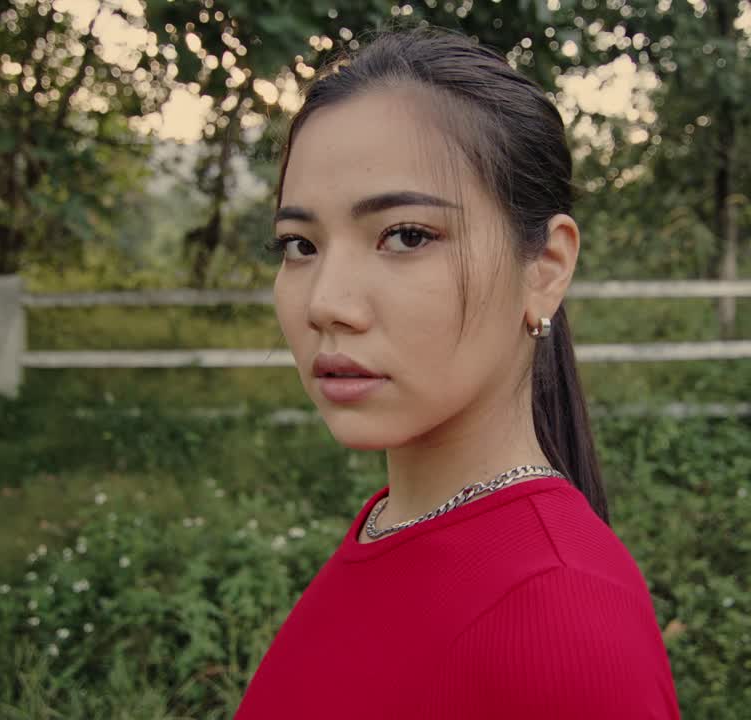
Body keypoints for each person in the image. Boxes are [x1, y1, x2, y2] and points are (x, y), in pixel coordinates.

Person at [234, 26, 681, 719]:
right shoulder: (390, 528)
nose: (326, 302)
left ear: (547, 267)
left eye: (406, 236)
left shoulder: (562, 618)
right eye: (299, 245)